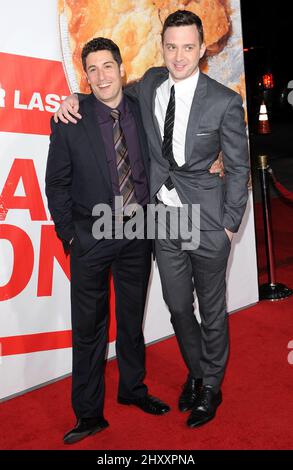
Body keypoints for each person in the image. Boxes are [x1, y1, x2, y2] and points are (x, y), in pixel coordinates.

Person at [55, 10, 249, 428]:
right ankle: (197, 371)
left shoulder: (224, 100)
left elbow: (238, 167)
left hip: (208, 221)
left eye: (188, 47)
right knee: (178, 306)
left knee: (212, 310)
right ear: (163, 48)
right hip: (161, 222)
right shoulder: (150, 84)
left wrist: (230, 224)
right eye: (172, 47)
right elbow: (105, 92)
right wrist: (73, 99)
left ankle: (210, 386)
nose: (179, 57)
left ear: (202, 49)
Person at [46, 37, 171, 445]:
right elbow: (57, 183)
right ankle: (88, 414)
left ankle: (133, 389)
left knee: (131, 320)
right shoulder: (71, 118)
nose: (101, 76)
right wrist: (70, 236)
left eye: (107, 66)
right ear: (86, 76)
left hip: (137, 231)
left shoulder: (142, 106)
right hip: (91, 237)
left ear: (122, 68)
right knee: (89, 329)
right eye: (92, 69)